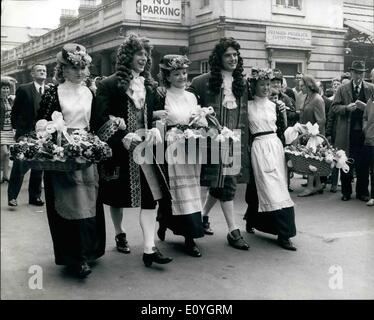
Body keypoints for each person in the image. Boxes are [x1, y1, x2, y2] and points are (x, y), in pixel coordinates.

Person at [93, 34, 172, 267]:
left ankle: (149, 248)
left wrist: (155, 129)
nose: (144, 58)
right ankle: (119, 232)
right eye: (140, 53)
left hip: (145, 151)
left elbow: (152, 116)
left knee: (150, 199)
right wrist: (120, 136)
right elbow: (98, 121)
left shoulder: (148, 85)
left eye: (146, 54)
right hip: (119, 152)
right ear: (128, 56)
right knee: (116, 199)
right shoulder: (107, 84)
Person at [36, 43, 106, 278]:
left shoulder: (90, 92)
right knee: (68, 201)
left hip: (86, 150)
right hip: (62, 151)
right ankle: (74, 257)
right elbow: (41, 123)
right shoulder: (52, 92)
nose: (79, 72)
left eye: (83, 67)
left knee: (89, 199)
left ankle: (89, 251)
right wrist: (51, 129)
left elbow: (97, 121)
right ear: (63, 69)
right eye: (74, 67)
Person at [188, 37, 250, 250]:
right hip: (212, 142)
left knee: (223, 183)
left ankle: (204, 217)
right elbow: (191, 113)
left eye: (235, 55)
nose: (233, 58)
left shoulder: (243, 83)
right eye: (228, 55)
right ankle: (233, 231)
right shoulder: (201, 82)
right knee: (224, 183)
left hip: (235, 141)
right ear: (219, 58)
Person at [154, 54, 205, 257]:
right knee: (175, 191)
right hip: (172, 146)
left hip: (191, 146)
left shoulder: (192, 96)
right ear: (168, 76)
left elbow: (198, 120)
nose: (182, 77)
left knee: (192, 190)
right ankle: (188, 237)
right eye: (176, 73)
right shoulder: (162, 95)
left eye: (184, 73)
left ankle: (176, 226)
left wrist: (201, 124)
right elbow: (156, 122)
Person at [245, 68, 297, 251]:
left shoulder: (277, 105)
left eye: (268, 84)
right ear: (254, 85)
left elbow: (283, 130)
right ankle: (284, 234)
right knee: (267, 187)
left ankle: (254, 220)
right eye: (262, 84)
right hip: (258, 147)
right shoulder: (248, 106)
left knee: (279, 187)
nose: (266, 87)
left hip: (275, 147)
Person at [331, 60, 374, 202]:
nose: (358, 75)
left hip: (364, 132)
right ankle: (346, 192)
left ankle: (362, 192)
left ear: (364, 73)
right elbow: (334, 107)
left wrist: (365, 107)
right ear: (351, 73)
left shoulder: (370, 88)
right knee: (346, 161)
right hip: (347, 132)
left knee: (363, 163)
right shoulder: (342, 89)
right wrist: (346, 108)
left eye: (361, 73)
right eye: (356, 72)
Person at [8, 64, 47, 207]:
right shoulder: (24, 89)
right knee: (20, 164)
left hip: (42, 134)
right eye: (39, 70)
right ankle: (12, 196)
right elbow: (15, 111)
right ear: (32, 73)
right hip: (25, 133)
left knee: (38, 166)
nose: (42, 72)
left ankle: (35, 197)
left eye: (44, 70)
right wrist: (18, 131)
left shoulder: (48, 90)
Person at [298, 75, 326, 197]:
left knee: (310, 160)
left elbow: (322, 120)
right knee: (312, 160)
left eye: (302, 86)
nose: (300, 88)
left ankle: (310, 187)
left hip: (315, 135)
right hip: (308, 133)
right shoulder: (308, 97)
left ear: (309, 85)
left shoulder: (317, 99)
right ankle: (318, 185)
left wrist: (312, 132)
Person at [1, 78, 15, 183]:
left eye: (7, 88)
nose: (5, 90)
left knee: (7, 154)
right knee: (4, 153)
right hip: (1, 129)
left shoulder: (10, 100)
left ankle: (5, 176)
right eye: (3, 88)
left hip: (9, 128)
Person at [363, 92, 374, 206]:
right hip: (370, 139)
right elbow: (365, 117)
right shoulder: (370, 100)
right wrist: (365, 129)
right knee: (373, 169)